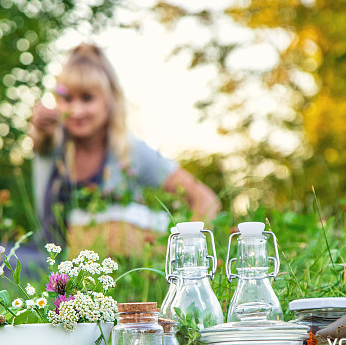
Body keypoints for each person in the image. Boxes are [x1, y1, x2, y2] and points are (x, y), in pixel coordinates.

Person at [29, 43, 220, 243]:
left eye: (87, 98)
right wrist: (42, 128)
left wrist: (184, 250)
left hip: (114, 266)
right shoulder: (53, 142)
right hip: (47, 263)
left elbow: (206, 200)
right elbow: (41, 141)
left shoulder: (130, 151)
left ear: (110, 99)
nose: (76, 111)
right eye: (67, 99)